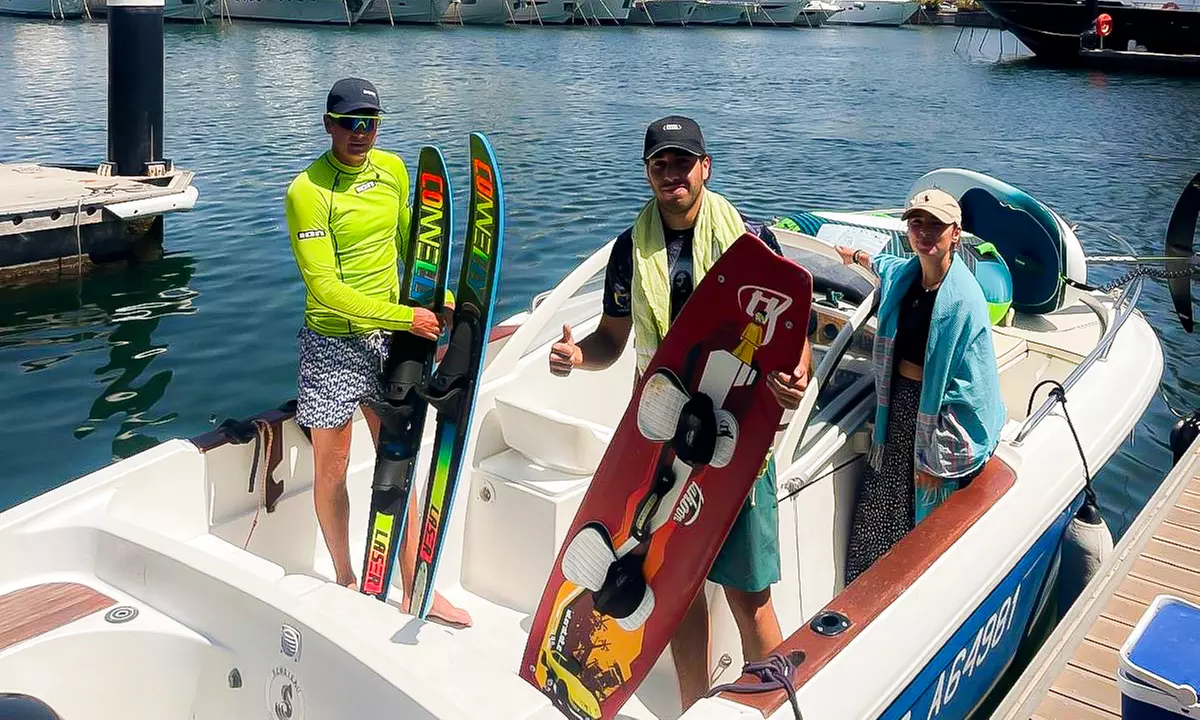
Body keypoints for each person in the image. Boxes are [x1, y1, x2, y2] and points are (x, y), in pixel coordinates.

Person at [547, 115, 812, 712]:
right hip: (662, 441)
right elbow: (613, 340)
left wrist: (798, 376)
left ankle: (765, 706)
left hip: (736, 441)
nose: (672, 174)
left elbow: (794, 336)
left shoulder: (752, 240)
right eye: (660, 163)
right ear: (647, 172)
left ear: (705, 168)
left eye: (682, 162)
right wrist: (576, 356)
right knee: (674, 592)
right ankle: (693, 705)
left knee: (750, 596)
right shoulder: (628, 252)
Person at [284, 77, 470, 628]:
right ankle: (345, 577)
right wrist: (405, 317)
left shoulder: (391, 170)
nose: (361, 133)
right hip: (332, 344)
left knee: (398, 456)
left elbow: (417, 243)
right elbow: (324, 287)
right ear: (328, 125)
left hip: (391, 340)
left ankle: (417, 587)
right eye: (350, 123)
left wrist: (446, 300)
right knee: (333, 466)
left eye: (370, 122)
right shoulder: (307, 191)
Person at [835, 188, 1007, 584]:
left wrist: (940, 459)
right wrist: (856, 257)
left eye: (936, 225)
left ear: (955, 234)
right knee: (880, 505)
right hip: (896, 410)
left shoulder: (963, 300)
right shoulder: (908, 276)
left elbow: (973, 390)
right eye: (917, 223)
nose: (925, 233)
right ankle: (867, 588)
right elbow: (885, 264)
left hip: (934, 419)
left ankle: (909, 590)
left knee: (920, 504)